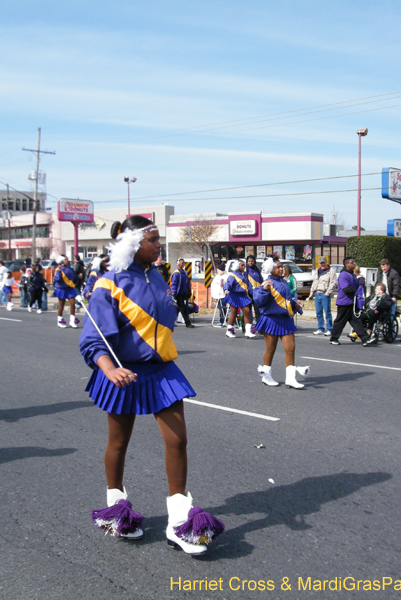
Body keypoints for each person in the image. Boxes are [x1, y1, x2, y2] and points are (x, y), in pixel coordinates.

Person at [80, 215, 224, 555]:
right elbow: (93, 339)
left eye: (158, 239)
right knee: (119, 442)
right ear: (133, 244)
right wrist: (109, 369)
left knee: (178, 440)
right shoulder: (109, 284)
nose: (159, 245)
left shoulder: (158, 277)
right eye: (153, 240)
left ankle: (178, 520)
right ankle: (116, 508)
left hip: (162, 370)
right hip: (123, 371)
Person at [253, 258, 308, 388]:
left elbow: (287, 300)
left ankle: (291, 379)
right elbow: (259, 300)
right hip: (271, 319)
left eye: (281, 267)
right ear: (271, 269)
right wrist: (265, 289)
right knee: (271, 349)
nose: (281, 269)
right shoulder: (267, 283)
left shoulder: (284, 282)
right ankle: (266, 376)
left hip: (285, 319)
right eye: (278, 267)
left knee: (290, 348)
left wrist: (296, 305)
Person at [329, 258, 369, 346]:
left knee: (356, 321)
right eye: (352, 262)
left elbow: (356, 286)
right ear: (347, 264)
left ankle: (365, 338)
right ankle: (334, 338)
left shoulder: (352, 275)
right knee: (340, 321)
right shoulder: (343, 275)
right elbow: (346, 289)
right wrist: (356, 293)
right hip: (344, 302)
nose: (354, 264)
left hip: (351, 302)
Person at [223, 259, 256, 338]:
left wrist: (253, 294)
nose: (244, 267)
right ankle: (229, 331)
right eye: (242, 265)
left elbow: (249, 285)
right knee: (233, 313)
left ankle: (248, 331)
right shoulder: (232, 275)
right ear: (237, 266)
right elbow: (227, 284)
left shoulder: (245, 275)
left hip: (243, 296)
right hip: (234, 295)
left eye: (244, 265)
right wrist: (226, 290)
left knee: (247, 312)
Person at [307, 256, 337, 336]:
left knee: (327, 312)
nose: (322, 264)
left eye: (323, 263)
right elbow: (315, 282)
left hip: (325, 293)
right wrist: (312, 292)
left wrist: (328, 292)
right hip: (317, 293)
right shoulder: (317, 270)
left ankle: (329, 329)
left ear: (326, 262)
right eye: (321, 263)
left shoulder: (331, 271)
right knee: (318, 312)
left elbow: (333, 283)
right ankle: (320, 328)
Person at [53, 255, 79, 328]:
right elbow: (57, 279)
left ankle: (72, 321)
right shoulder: (59, 269)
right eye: (65, 259)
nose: (66, 260)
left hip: (69, 288)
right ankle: (59, 321)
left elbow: (73, 278)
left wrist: (78, 277)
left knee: (73, 303)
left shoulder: (71, 269)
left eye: (67, 259)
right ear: (61, 261)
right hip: (62, 288)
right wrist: (58, 272)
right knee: (61, 305)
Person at [170, 258, 194, 328]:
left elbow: (187, 283)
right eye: (182, 263)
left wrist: (189, 290)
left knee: (178, 308)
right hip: (178, 294)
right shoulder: (176, 273)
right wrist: (173, 292)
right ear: (178, 264)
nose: (183, 264)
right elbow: (174, 284)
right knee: (183, 308)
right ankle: (188, 323)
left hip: (184, 293)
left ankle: (170, 321)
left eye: (184, 263)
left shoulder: (184, 272)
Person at [244, 255, 262, 332]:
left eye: (252, 261)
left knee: (258, 311)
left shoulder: (257, 270)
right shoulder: (245, 271)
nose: (251, 263)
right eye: (249, 261)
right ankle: (246, 328)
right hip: (248, 294)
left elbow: (261, 280)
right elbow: (244, 282)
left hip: (257, 294)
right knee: (247, 312)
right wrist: (248, 293)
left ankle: (260, 328)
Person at [210, 263, 228, 327]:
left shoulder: (225, 277)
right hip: (217, 295)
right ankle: (222, 320)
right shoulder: (217, 276)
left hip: (222, 295)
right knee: (220, 308)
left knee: (223, 308)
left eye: (219, 270)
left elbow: (224, 285)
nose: (218, 271)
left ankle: (223, 320)